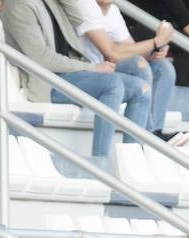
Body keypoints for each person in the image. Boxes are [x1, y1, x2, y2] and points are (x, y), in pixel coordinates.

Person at [1, 0, 149, 159]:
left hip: (72, 74)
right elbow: (41, 58)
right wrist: (92, 68)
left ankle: (133, 161)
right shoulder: (18, 5)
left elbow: (80, 22)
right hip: (47, 82)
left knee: (141, 89)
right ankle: (100, 161)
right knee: (112, 84)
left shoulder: (55, 2)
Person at [73, 0, 176, 138]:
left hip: (108, 68)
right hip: (87, 72)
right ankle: (150, 135)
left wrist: (156, 50)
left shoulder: (113, 10)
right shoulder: (85, 4)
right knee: (138, 65)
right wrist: (156, 41)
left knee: (163, 67)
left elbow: (132, 49)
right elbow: (112, 53)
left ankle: (156, 130)